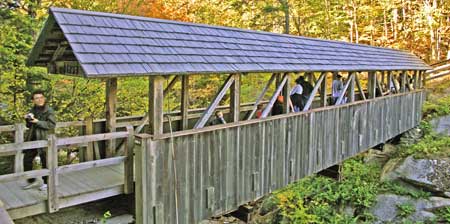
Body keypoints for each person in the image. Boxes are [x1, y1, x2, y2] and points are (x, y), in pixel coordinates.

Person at [23, 90, 56, 191]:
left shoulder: (49, 111)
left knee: (45, 161)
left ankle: (46, 183)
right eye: (37, 98)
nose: (39, 99)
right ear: (33, 100)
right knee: (27, 160)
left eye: (41, 97)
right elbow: (29, 125)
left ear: (44, 98)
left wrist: (38, 122)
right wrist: (27, 119)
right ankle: (32, 181)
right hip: (32, 138)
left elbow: (51, 125)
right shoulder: (33, 109)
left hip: (45, 138)